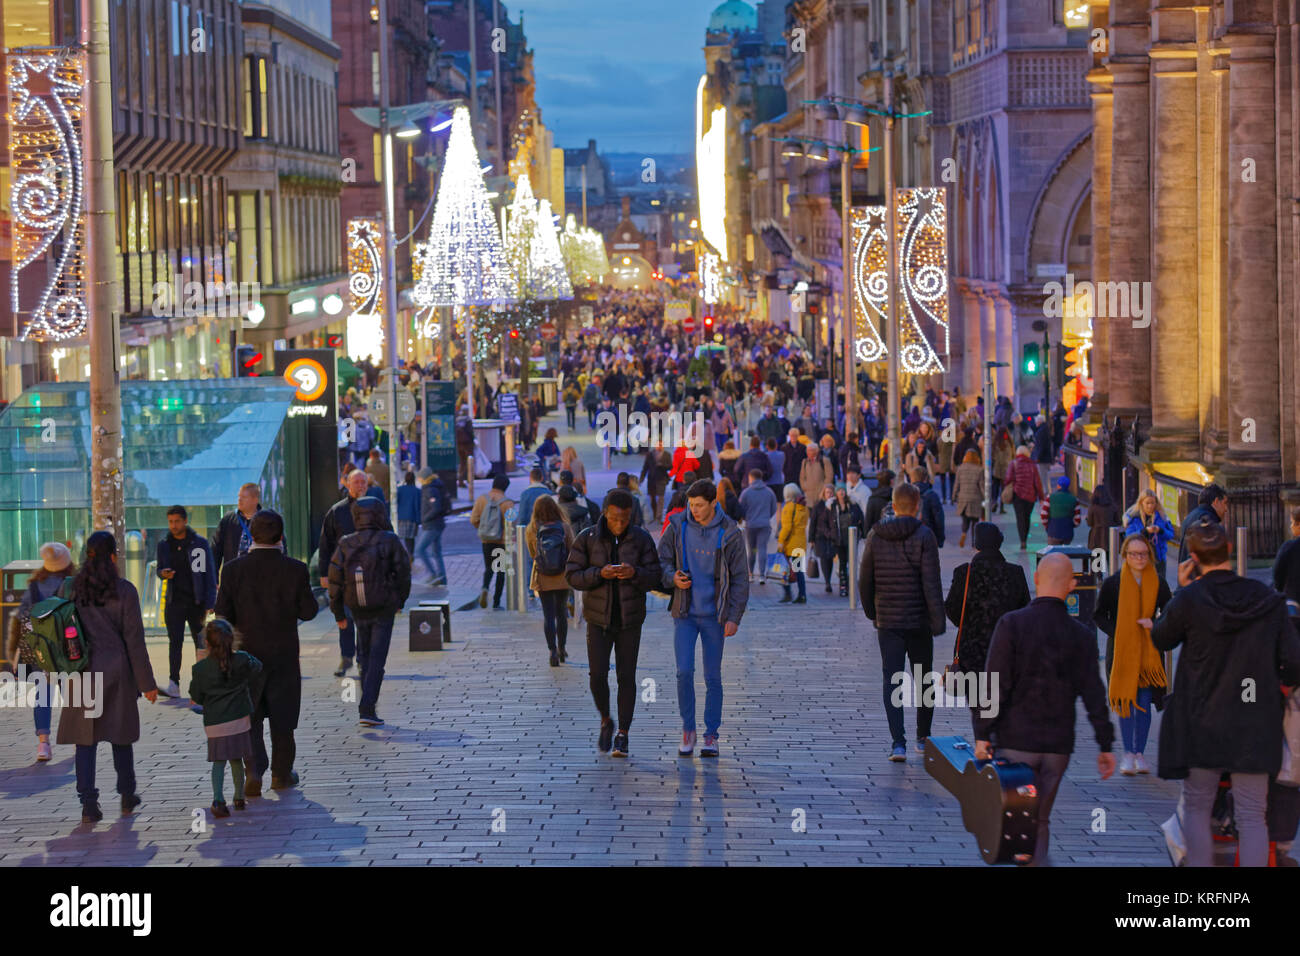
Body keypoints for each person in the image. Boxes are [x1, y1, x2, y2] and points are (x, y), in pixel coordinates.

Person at [1152, 521, 1300, 866]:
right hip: (1254, 723)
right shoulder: (1268, 600)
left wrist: (1182, 589)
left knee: (1198, 806)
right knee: (1252, 813)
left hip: (1202, 721)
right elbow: (1293, 663)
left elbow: (1161, 638)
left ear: (1192, 557)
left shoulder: (1190, 599)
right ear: (1231, 551)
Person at [975, 553, 1117, 865]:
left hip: (1015, 742)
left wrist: (983, 734)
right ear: (1072, 585)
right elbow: (1094, 693)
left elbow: (993, 685)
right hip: (1057, 746)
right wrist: (1105, 744)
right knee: (1040, 820)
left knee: (1012, 821)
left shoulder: (1011, 625)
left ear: (1036, 579)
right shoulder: (1081, 635)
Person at [214, 510, 318, 794]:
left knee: (251, 717)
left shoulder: (233, 569)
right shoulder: (295, 569)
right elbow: (309, 611)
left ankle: (254, 771)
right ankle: (282, 774)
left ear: (252, 535)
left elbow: (221, 615)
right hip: (283, 655)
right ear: (280, 536)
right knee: (283, 719)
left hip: (246, 656)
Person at [58, 532, 158, 823]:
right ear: (113, 556)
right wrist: (147, 684)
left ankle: (88, 803)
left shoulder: (71, 588)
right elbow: (134, 641)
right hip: (116, 672)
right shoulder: (124, 590)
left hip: (82, 672)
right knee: (120, 735)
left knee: (84, 741)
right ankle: (127, 795)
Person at [565, 489, 663, 758]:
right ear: (605, 513)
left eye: (625, 519)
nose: (620, 524)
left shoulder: (641, 538)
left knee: (626, 676)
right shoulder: (588, 538)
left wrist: (635, 573)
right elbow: (572, 575)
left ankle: (624, 734)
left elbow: (655, 576)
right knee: (597, 675)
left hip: (630, 620)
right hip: (598, 619)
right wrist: (600, 573)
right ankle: (606, 719)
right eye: (615, 518)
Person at [658, 479, 750, 758]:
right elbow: (661, 560)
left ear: (713, 503)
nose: (694, 510)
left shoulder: (730, 532)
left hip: (715, 615)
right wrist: (671, 577)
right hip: (684, 613)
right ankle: (688, 729)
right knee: (683, 671)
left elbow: (740, 578)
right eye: (691, 504)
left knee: (713, 676)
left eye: (699, 505)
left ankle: (711, 735)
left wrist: (734, 616)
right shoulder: (677, 526)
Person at [858, 482, 946, 761]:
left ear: (893, 506)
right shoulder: (925, 536)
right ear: (917, 505)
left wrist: (873, 612)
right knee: (924, 680)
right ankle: (923, 736)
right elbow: (931, 583)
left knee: (892, 680)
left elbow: (864, 580)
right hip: (918, 621)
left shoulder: (875, 535)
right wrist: (938, 621)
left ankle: (898, 742)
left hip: (889, 621)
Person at [328, 496, 412, 727]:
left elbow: (335, 581)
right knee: (377, 656)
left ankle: (366, 706)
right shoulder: (390, 540)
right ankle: (367, 707)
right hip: (383, 606)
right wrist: (400, 600)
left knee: (364, 654)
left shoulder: (346, 543)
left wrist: (338, 613)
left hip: (357, 607)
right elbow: (403, 573)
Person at [1092, 533, 1172, 776]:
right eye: (1134, 554)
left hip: (1149, 654)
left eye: (1143, 553)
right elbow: (1099, 615)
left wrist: (1155, 623)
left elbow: (1170, 612)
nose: (1139, 558)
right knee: (1127, 702)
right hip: (1122, 653)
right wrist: (1118, 631)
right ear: (1125, 555)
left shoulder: (1159, 582)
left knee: (1145, 703)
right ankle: (1127, 754)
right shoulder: (1113, 584)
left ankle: (1139, 753)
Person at [944, 522, 1030, 733]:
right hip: (1007, 651)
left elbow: (952, 608)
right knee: (1002, 704)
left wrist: (967, 625)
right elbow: (1025, 611)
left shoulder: (964, 573)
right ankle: (997, 744)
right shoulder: (1015, 573)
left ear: (977, 545)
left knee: (978, 707)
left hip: (971, 652)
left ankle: (984, 744)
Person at [6, 542, 76, 762]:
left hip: (41, 650)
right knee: (71, 693)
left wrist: (14, 652)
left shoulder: (35, 586)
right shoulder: (72, 584)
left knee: (42, 695)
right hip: (67, 648)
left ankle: (43, 743)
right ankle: (76, 738)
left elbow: (21, 618)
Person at [188, 619, 261, 818]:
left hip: (215, 723)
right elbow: (257, 668)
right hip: (239, 720)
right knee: (237, 759)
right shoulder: (242, 659)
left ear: (207, 643)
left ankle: (218, 800)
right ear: (232, 640)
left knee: (218, 762)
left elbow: (197, 695)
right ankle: (238, 798)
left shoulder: (201, 668)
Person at [319, 468, 388, 677]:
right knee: (345, 619)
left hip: (371, 575)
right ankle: (347, 657)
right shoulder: (337, 511)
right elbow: (325, 544)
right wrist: (324, 574)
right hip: (344, 576)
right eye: (356, 482)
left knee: (365, 622)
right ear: (347, 484)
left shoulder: (377, 508)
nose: (360, 486)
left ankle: (362, 660)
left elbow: (388, 536)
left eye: (363, 483)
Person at [155, 505, 216, 703]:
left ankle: (204, 683)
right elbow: (159, 568)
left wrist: (209, 601)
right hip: (174, 602)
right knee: (175, 643)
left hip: (195, 601)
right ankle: (174, 683)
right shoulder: (164, 544)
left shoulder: (199, 543)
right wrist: (162, 574)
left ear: (185, 521)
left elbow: (209, 572)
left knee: (201, 643)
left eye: (177, 521)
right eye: (170, 522)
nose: (173, 525)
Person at [527, 496, 575, 667]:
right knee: (561, 612)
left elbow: (533, 553)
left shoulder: (532, 528)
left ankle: (552, 651)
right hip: (562, 576)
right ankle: (562, 649)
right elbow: (571, 549)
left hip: (542, 576)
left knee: (548, 615)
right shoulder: (564, 527)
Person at [471, 475, 513, 610]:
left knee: (489, 567)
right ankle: (496, 602)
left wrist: (483, 530)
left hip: (486, 540)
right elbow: (512, 524)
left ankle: (484, 588)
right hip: (501, 541)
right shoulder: (508, 503)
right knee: (500, 571)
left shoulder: (482, 499)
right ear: (506, 487)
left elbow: (473, 519)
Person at [1124, 490, 1177, 582]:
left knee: (1159, 587)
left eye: (1152, 503)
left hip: (1158, 559)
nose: (1150, 506)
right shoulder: (1134, 518)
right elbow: (1129, 536)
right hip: (1139, 559)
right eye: (1147, 503)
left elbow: (1171, 534)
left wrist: (1160, 530)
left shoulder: (1162, 517)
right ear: (1141, 503)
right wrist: (1144, 531)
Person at [212, 482, 263, 576]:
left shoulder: (267, 520)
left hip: (259, 577)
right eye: (239, 497)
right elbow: (215, 550)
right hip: (233, 577)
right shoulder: (228, 520)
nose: (239, 500)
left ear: (255, 500)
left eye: (244, 497)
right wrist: (214, 578)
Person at [1176, 483, 1228, 572]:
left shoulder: (1191, 515)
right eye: (1225, 503)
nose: (1226, 509)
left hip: (1187, 575)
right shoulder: (1207, 520)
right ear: (1216, 501)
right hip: (1197, 578)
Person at [739, 469, 778, 585]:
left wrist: (747, 518)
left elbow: (741, 508)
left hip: (751, 525)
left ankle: (750, 574)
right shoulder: (769, 492)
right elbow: (774, 508)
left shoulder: (746, 492)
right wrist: (766, 516)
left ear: (751, 478)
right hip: (764, 524)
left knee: (751, 550)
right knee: (762, 549)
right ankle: (762, 575)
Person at [1004, 445, 1046, 550]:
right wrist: (1041, 497)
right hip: (1030, 496)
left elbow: (1008, 479)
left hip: (1017, 494)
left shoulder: (1013, 463)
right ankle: (1025, 537)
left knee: (1020, 518)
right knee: (1027, 517)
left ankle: (1022, 540)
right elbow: (1037, 482)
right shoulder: (1032, 465)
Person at [414, 467, 449, 585]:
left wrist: (424, 518)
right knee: (436, 551)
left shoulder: (430, 489)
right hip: (437, 523)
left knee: (419, 549)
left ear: (424, 478)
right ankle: (441, 577)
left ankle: (433, 574)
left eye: (419, 477)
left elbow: (436, 507)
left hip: (432, 525)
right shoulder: (434, 486)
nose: (418, 480)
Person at [777, 483, 809, 604]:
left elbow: (787, 528)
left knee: (782, 569)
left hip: (789, 544)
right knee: (799, 571)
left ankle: (788, 594)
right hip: (800, 543)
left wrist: (780, 541)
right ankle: (802, 595)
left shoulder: (788, 507)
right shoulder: (803, 507)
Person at [952, 450, 984, 547]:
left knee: (965, 519)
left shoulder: (960, 468)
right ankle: (974, 542)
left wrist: (954, 496)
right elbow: (982, 486)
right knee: (975, 521)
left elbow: (956, 484)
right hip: (975, 498)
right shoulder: (979, 469)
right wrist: (985, 498)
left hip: (963, 498)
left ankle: (964, 533)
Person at [911, 466, 945, 548]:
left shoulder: (907, 493)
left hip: (911, 537)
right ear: (926, 478)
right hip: (928, 536)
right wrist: (940, 539)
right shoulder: (932, 495)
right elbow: (939, 519)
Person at [1041, 476, 1082, 546]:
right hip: (1068, 533)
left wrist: (1047, 526)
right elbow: (1077, 520)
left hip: (1053, 532)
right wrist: (1071, 525)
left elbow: (1043, 515)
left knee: (1054, 554)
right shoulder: (1074, 499)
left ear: (1058, 486)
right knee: (1065, 553)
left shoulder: (1050, 497)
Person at [1272, 505, 1300, 603]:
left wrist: (1279, 589)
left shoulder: (1289, 547)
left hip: (1294, 600)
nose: (1291, 526)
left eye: (1292, 522)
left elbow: (1277, 573)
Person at [1086, 482, 1122, 554]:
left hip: (1096, 537)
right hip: (1110, 536)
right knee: (1111, 561)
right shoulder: (1113, 507)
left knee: (1097, 563)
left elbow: (1089, 523)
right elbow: (1118, 522)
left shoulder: (1093, 508)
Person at [640, 442, 672, 521]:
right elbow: (645, 468)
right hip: (651, 480)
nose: (659, 446)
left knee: (661, 498)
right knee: (652, 498)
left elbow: (670, 467)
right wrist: (641, 479)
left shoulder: (667, 454)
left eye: (661, 445)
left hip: (662, 479)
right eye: (658, 444)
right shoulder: (649, 454)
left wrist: (663, 465)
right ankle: (654, 514)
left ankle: (659, 516)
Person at [799, 441, 834, 507]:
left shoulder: (824, 461)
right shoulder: (805, 462)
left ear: (816, 451)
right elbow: (802, 477)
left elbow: (829, 476)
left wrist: (824, 490)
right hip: (808, 495)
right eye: (807, 450)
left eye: (811, 450)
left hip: (820, 494)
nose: (808, 452)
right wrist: (804, 487)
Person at [396, 470, 421, 555]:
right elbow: (418, 506)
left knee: (400, 537)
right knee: (410, 539)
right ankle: (410, 554)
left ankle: (402, 555)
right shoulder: (417, 491)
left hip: (401, 517)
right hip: (412, 517)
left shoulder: (400, 489)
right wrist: (419, 520)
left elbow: (396, 502)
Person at [864, 469, 895, 534]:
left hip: (876, 536)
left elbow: (868, 521)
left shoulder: (873, 498)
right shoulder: (895, 497)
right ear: (891, 481)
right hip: (892, 535)